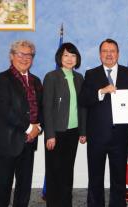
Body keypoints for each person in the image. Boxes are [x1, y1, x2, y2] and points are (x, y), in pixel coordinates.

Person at [79, 38, 128, 207]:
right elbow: (83, 100)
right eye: (105, 51)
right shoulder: (91, 74)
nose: (109, 54)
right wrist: (101, 91)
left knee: (119, 177)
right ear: (100, 55)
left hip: (120, 135)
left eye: (112, 51)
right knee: (95, 176)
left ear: (118, 54)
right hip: (97, 136)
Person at [0, 40, 42, 207]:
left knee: (24, 187)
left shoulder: (36, 81)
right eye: (20, 54)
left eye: (29, 55)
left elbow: (42, 108)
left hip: (29, 142)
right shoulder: (1, 79)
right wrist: (28, 128)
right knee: (3, 185)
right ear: (12, 56)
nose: (25, 58)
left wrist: (39, 128)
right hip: (7, 141)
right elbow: (5, 110)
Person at [43, 42, 87, 207]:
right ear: (59, 58)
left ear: (77, 58)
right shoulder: (51, 77)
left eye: (73, 55)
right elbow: (47, 108)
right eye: (66, 55)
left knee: (68, 172)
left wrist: (83, 131)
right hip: (56, 133)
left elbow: (82, 107)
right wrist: (50, 135)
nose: (69, 59)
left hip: (73, 132)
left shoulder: (79, 78)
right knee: (54, 173)